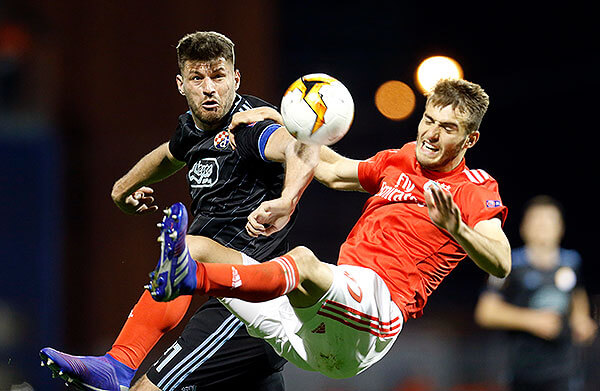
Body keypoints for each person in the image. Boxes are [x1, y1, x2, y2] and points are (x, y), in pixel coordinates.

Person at [146, 78, 512, 379]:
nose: (431, 134)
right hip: (313, 329)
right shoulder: (401, 158)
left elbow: (501, 262)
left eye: (447, 128)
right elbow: (334, 172)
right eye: (429, 120)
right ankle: (120, 361)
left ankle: (191, 279)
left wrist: (458, 228)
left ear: (470, 139)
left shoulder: (474, 187)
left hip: (374, 313)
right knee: (198, 245)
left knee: (302, 261)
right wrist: (285, 125)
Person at [40, 31, 318, 391]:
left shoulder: (249, 127)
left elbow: (297, 148)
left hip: (246, 306)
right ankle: (116, 365)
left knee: (148, 387)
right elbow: (170, 153)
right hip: (227, 300)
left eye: (218, 76)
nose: (209, 88)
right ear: (180, 83)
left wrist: (288, 198)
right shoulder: (193, 127)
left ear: (236, 78)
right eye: (197, 78)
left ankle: (117, 365)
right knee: (181, 258)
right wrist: (121, 189)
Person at [474, 195, 597, 391]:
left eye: (549, 220)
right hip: (523, 373)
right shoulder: (507, 264)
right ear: (524, 227)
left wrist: (581, 321)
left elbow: (577, 300)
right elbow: (486, 312)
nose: (543, 226)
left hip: (564, 373)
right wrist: (532, 320)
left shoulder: (571, 262)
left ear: (560, 227)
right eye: (537, 220)